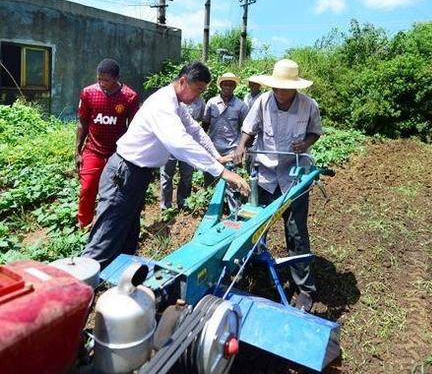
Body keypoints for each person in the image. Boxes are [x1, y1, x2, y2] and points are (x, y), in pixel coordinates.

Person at [82, 62, 249, 269]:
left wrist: (216, 157)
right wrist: (221, 172)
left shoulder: (177, 105)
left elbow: (195, 131)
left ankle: (116, 287)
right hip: (123, 173)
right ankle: (79, 290)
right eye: (197, 90)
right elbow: (179, 142)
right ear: (182, 82)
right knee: (104, 241)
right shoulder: (162, 104)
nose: (199, 96)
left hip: (137, 175)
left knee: (127, 238)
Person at [235, 59, 322, 312]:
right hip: (265, 174)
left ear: (295, 88)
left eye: (285, 89)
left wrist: (305, 144)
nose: (280, 94)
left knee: (296, 231)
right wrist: (241, 146)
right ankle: (249, 269)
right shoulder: (262, 102)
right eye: (276, 88)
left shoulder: (308, 106)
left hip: (294, 175)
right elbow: (248, 130)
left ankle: (304, 288)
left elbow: (315, 132)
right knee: (253, 224)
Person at [76, 58, 139, 228]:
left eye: (107, 80)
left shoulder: (129, 97)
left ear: (117, 78)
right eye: (99, 79)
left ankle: (109, 224)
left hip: (117, 153)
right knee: (87, 188)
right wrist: (77, 152)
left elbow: (133, 128)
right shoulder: (88, 93)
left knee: (113, 192)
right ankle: (84, 223)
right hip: (93, 150)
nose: (102, 83)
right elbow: (82, 122)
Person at [202, 72, 249, 191]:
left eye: (231, 85)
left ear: (234, 87)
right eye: (225, 84)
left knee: (233, 184)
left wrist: (242, 149)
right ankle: (212, 205)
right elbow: (205, 124)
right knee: (210, 182)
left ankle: (231, 208)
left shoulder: (241, 106)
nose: (228, 87)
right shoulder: (212, 103)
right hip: (213, 149)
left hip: (232, 152)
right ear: (220, 86)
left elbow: (246, 128)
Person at [159, 96, 205, 210]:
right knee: (166, 176)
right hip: (169, 145)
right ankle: (166, 207)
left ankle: (183, 204)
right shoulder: (172, 99)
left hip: (188, 146)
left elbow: (200, 123)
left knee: (187, 176)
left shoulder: (201, 102)